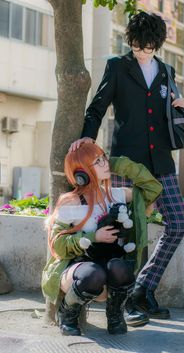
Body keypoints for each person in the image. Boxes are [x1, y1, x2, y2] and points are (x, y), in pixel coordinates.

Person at [70, 11, 184, 325]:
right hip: (126, 161)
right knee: (129, 232)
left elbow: (169, 108)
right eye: (136, 45)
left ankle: (143, 288)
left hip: (161, 161)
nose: (141, 51)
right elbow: (98, 105)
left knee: (178, 224)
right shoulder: (118, 67)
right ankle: (124, 303)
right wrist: (86, 137)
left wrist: (182, 105)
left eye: (147, 46)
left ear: (157, 43)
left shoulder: (166, 70)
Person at [41, 142, 162, 336]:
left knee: (122, 268)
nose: (105, 163)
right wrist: (93, 236)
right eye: (98, 162)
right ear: (82, 172)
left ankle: (114, 316)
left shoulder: (118, 195)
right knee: (93, 273)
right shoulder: (70, 202)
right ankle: (67, 313)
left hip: (110, 269)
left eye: (104, 158)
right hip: (77, 271)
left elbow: (152, 188)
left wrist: (113, 164)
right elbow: (57, 246)